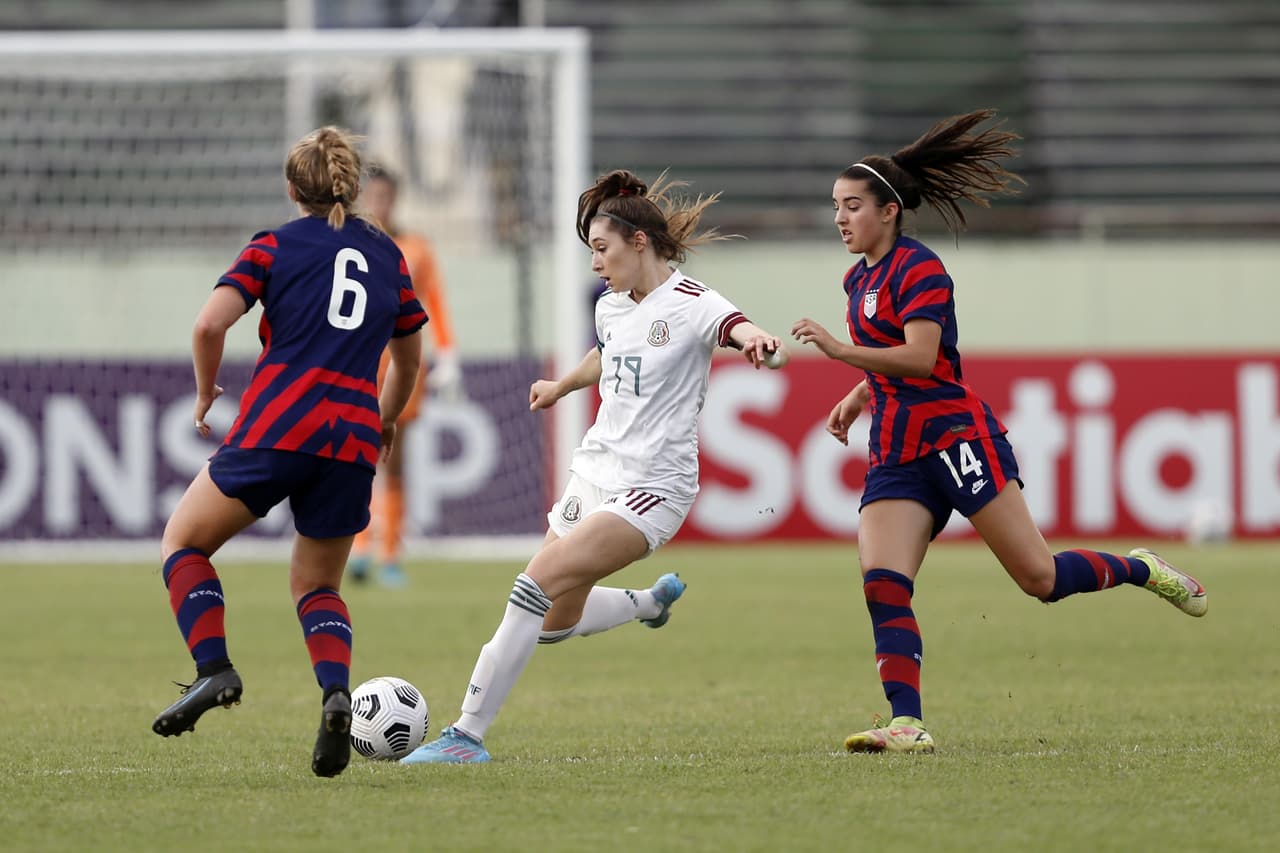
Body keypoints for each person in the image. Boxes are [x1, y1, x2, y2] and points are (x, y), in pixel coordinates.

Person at [789, 109, 1207, 754]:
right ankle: (906, 722)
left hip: (956, 439)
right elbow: (891, 355)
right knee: (882, 582)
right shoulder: (858, 278)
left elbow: (925, 359)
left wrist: (844, 356)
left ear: (890, 211)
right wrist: (857, 394)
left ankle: (1141, 568)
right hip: (898, 448)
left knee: (1040, 580)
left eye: (851, 205)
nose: (840, 218)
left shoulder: (920, 270)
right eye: (836, 206)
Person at [401, 169, 790, 764]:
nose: (594, 264)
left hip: (654, 488)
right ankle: (646, 604)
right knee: (554, 621)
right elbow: (607, 354)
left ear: (639, 242)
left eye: (601, 249)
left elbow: (733, 326)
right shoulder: (611, 306)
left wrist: (756, 339)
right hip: (596, 471)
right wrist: (562, 385)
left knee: (532, 582)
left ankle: (465, 736)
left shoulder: (692, 303)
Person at [151, 127, 427, 778]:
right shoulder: (389, 256)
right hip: (351, 436)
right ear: (355, 188)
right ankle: (335, 693)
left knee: (183, 544)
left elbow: (209, 323)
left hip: (279, 423)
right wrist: (384, 418)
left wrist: (204, 389)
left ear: (290, 187)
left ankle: (214, 668)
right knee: (318, 585)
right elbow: (410, 357)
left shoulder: (272, 245)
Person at [349, 165, 463, 587]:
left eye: (386, 197)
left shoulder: (416, 248)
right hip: (356, 363)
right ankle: (359, 546)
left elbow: (436, 303)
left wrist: (448, 355)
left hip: (401, 365)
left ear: (394, 198)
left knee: (393, 460)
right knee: (353, 457)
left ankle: (390, 553)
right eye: (373, 197)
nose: (380, 204)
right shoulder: (350, 246)